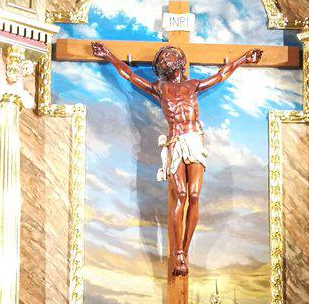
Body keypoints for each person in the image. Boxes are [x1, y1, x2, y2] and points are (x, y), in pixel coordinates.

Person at [90, 42, 262, 276]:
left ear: (180, 61)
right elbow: (129, 75)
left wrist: (243, 59)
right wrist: (109, 55)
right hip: (175, 141)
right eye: (161, 60)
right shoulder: (160, 88)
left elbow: (221, 75)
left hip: (194, 138)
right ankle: (178, 253)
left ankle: (185, 250)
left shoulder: (193, 85)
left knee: (194, 195)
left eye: (168, 56)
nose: (165, 60)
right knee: (180, 194)